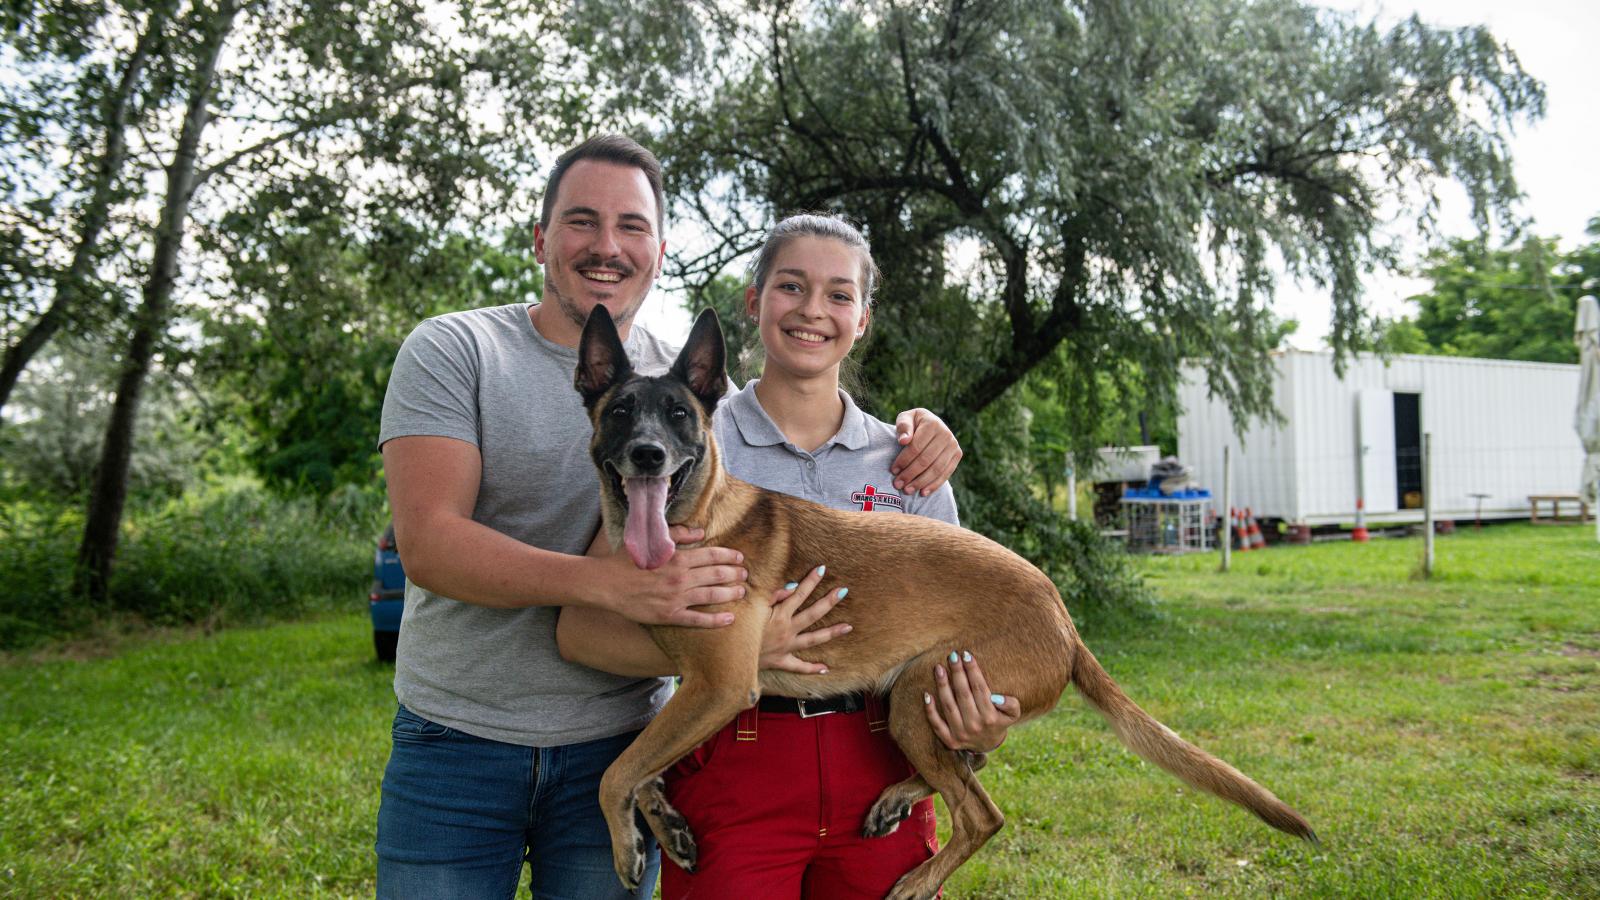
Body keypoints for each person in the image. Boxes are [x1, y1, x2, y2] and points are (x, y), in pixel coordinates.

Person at [374, 136, 962, 899]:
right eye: (581, 221)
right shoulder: (459, 349)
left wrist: (922, 431)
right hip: (462, 735)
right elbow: (430, 546)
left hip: (624, 731)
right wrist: (617, 588)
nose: (607, 246)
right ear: (540, 236)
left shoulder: (688, 398)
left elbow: (803, 411)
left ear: (658, 248)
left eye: (632, 227)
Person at [556, 213, 1021, 900]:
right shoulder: (690, 444)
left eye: (839, 294)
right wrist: (744, 651)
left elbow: (958, 640)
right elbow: (583, 628)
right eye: (790, 286)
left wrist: (988, 717)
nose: (812, 310)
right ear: (755, 301)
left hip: (877, 755)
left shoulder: (911, 463)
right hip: (735, 763)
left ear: (864, 317)